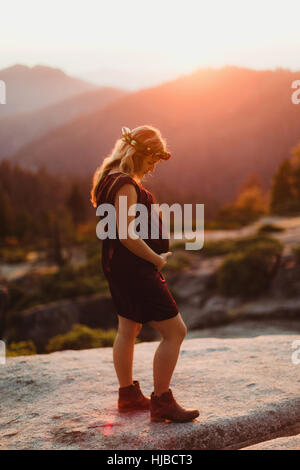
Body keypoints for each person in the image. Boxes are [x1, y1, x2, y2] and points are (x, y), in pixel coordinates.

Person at [90, 125, 199, 422]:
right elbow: (126, 233)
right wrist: (156, 259)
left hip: (117, 265)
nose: (153, 167)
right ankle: (162, 401)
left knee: (128, 329)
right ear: (140, 154)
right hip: (134, 268)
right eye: (152, 160)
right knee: (176, 332)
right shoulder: (125, 183)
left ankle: (127, 396)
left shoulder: (107, 178)